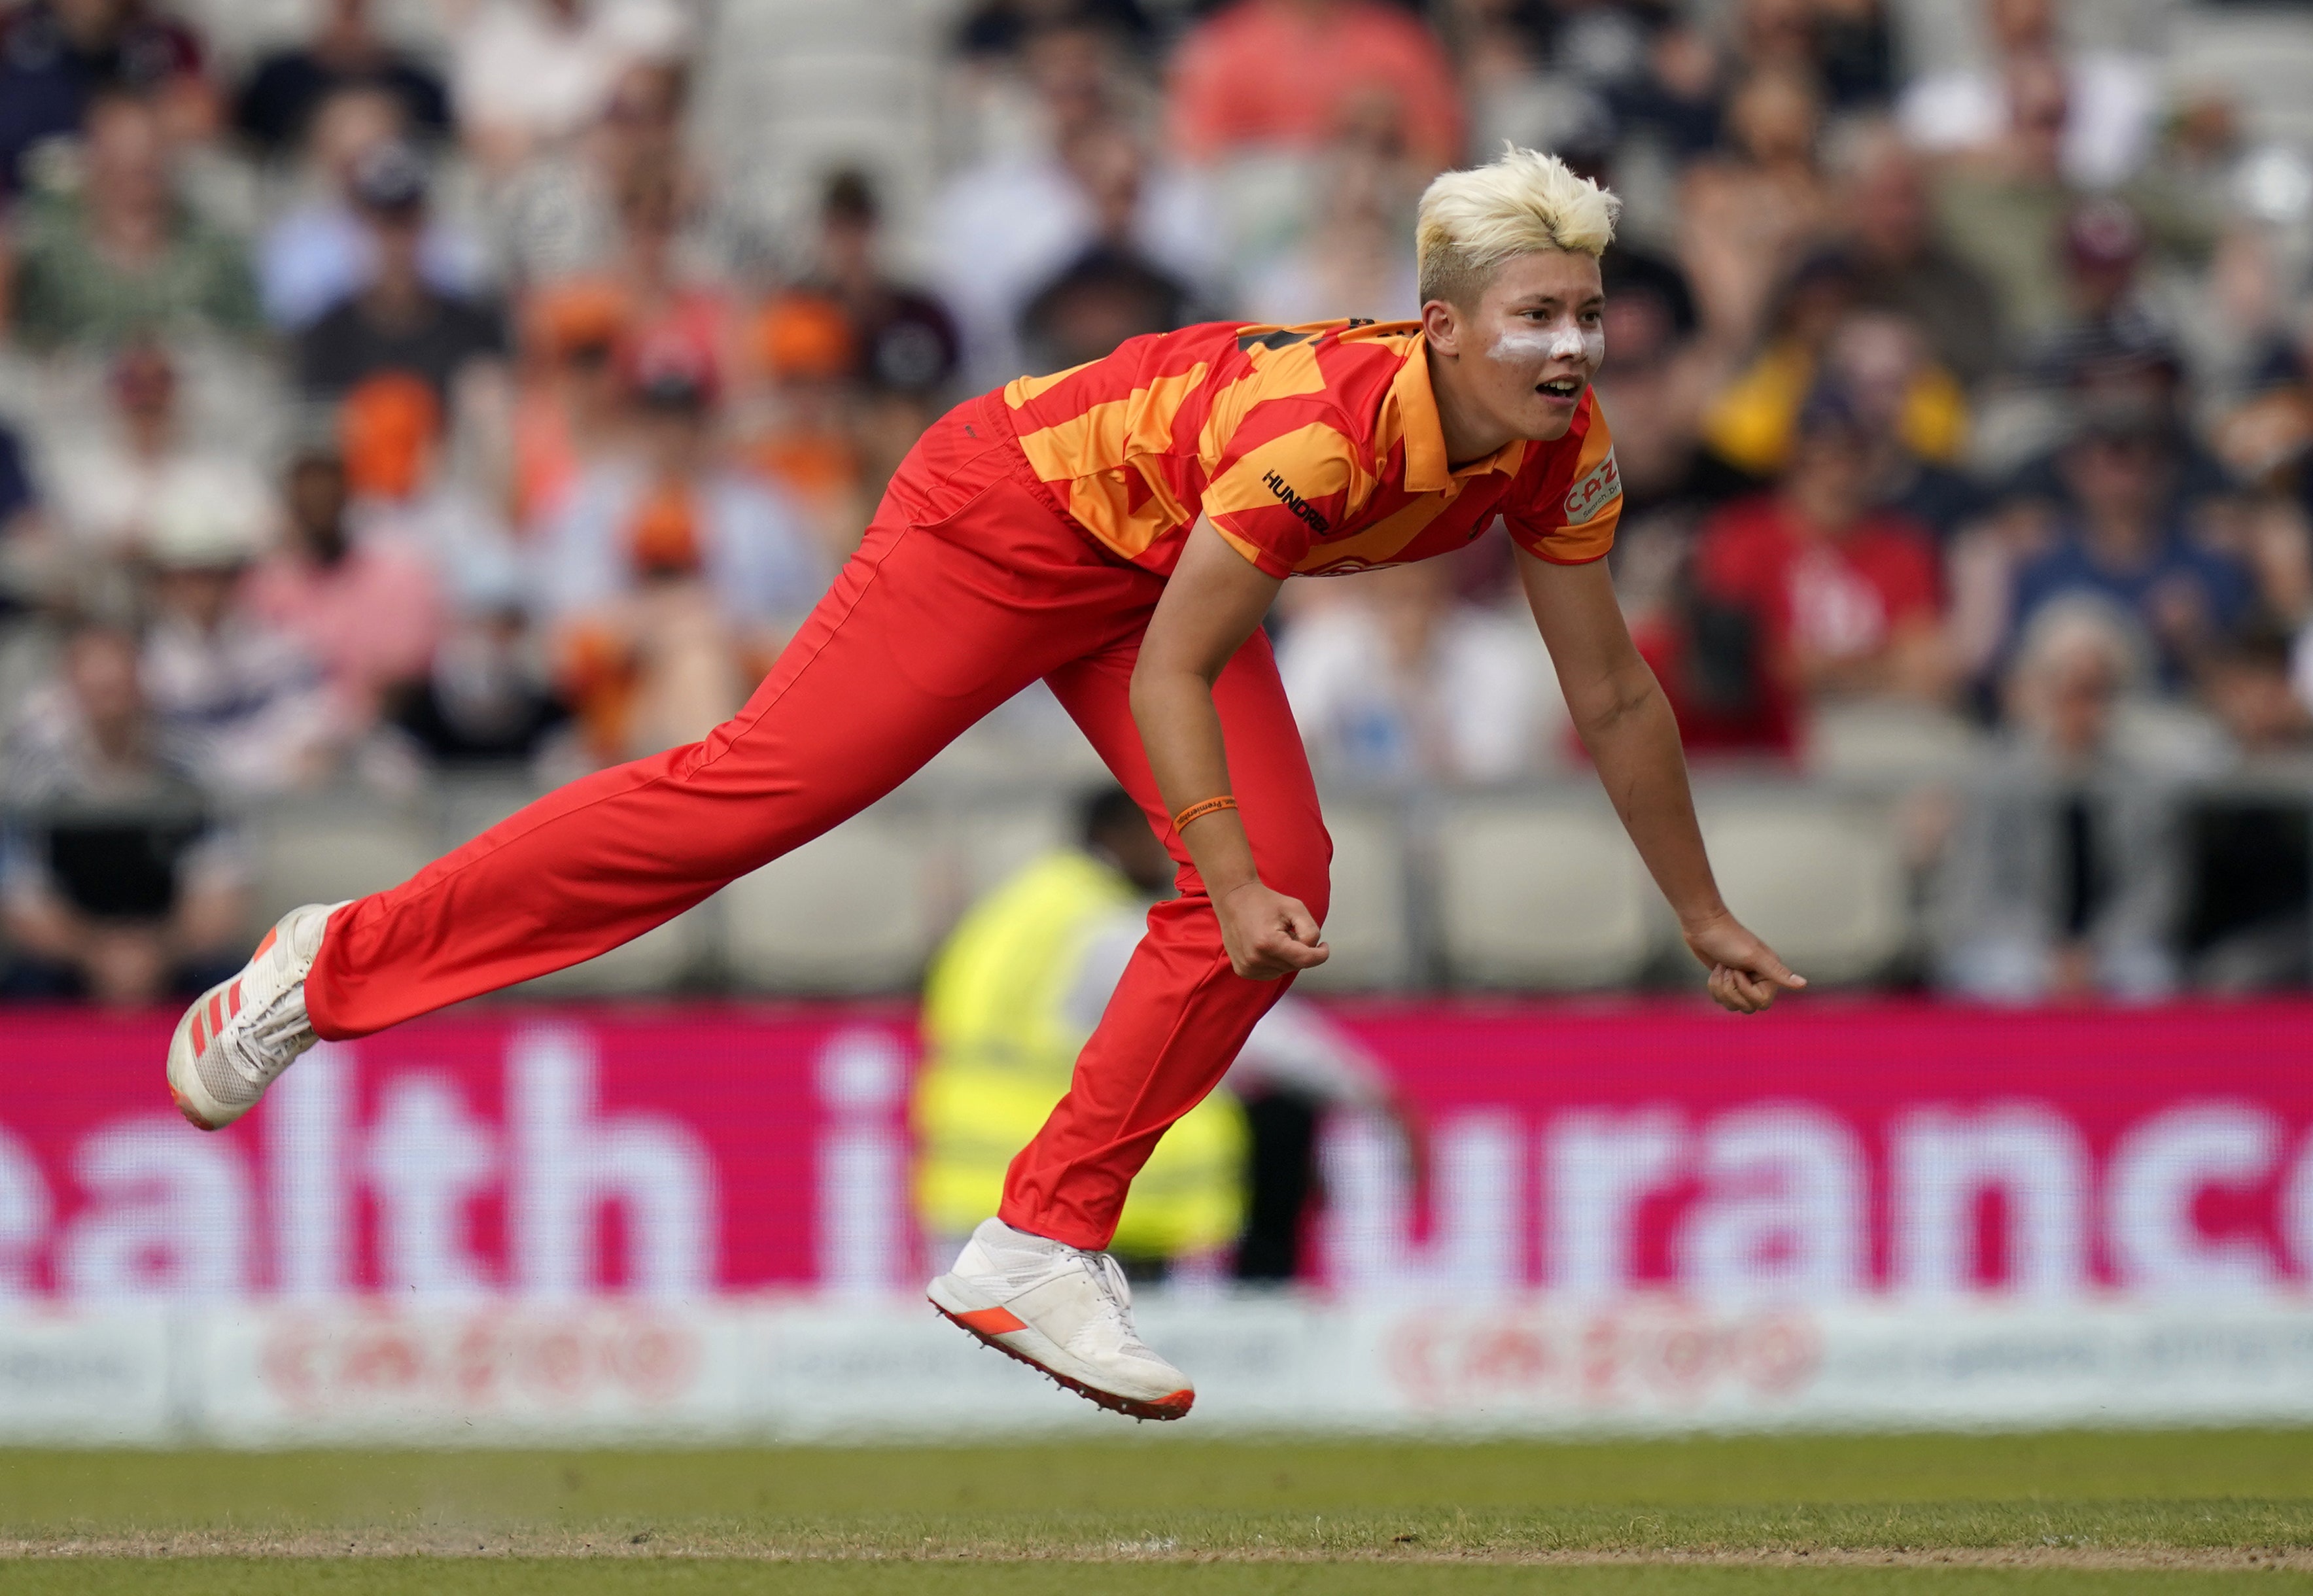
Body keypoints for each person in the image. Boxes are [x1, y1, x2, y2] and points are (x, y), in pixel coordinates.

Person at [164, 148, 1802, 1422]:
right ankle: (334, 960)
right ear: (1442, 324)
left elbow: (1610, 688)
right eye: (1538, 314)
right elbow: (1175, 669)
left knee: (1285, 868)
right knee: (755, 798)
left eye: (1585, 316)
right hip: (1003, 516)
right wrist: (1218, 876)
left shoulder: (1562, 453)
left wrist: (1699, 905)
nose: (1572, 346)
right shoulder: (1326, 438)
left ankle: (1039, 1240)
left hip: (1158, 569)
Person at [917, 785, 1400, 1282]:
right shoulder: (1103, 923)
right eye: (1169, 839)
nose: (1181, 858)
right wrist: (1373, 1092)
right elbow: (1232, 1017)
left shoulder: (1020, 907)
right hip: (1077, 1187)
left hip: (977, 1184)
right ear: (1120, 835)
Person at [1, 621, 249, 1006]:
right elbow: (24, 904)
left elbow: (220, 898)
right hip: (70, 958)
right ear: (71, 691)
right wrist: (97, 955)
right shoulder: (29, 781)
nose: (110, 705)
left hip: (172, 949)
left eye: (118, 688)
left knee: (237, 988)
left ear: (143, 686)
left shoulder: (196, 773)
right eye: (98, 692)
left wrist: (159, 953)